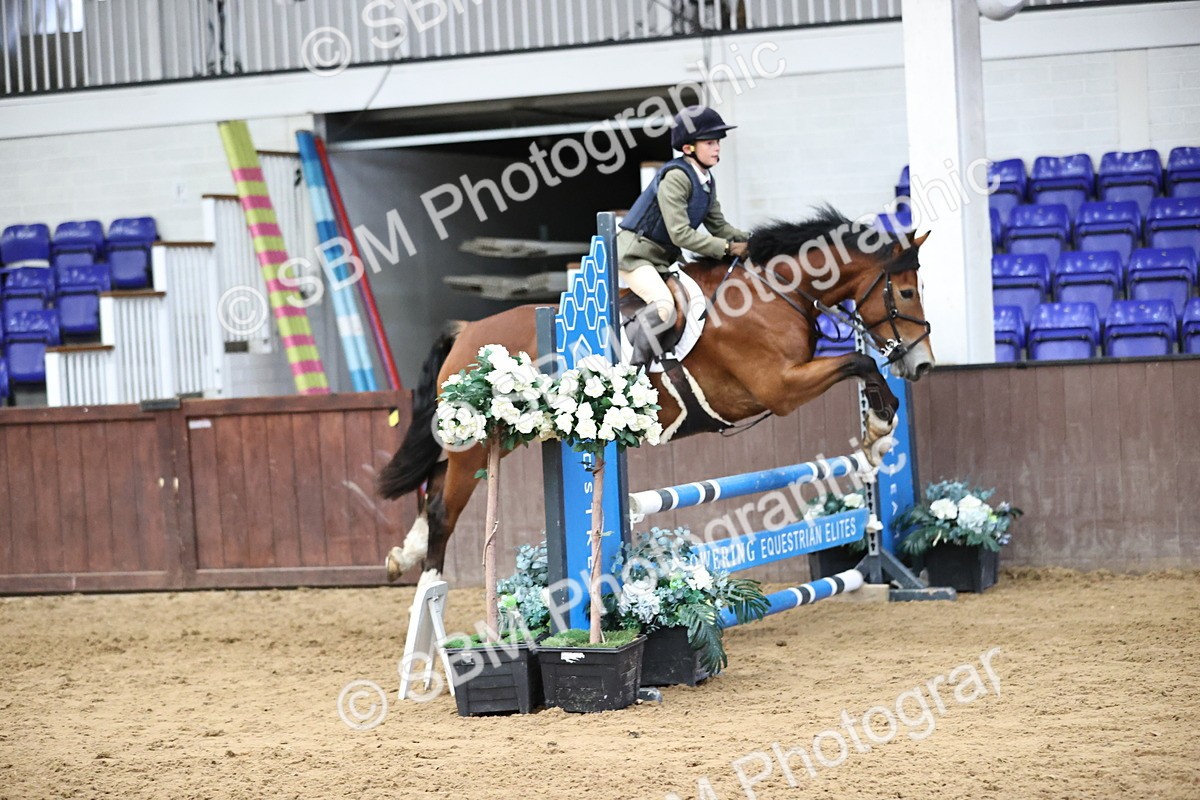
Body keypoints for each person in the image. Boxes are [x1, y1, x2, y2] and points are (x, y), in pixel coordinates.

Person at [617, 105, 750, 353]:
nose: (717, 148)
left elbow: (718, 226)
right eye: (709, 143)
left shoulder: (706, 180)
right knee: (664, 305)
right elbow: (681, 234)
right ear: (688, 147)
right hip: (635, 256)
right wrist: (729, 248)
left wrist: (755, 241)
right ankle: (635, 371)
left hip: (662, 258)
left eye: (717, 142)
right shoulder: (677, 177)